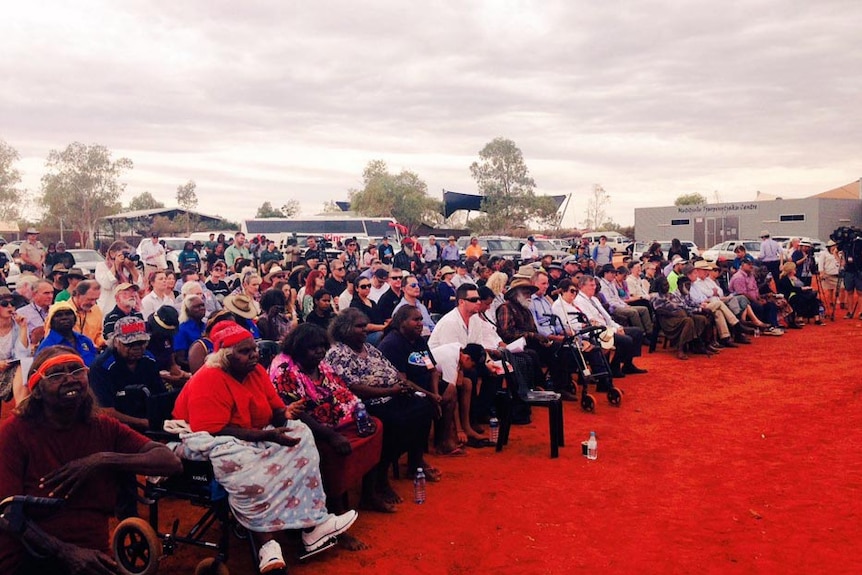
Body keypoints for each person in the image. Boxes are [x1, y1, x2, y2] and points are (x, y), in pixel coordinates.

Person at [172, 322, 358, 571]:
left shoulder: (256, 372)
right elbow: (214, 429)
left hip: (254, 432)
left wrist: (286, 413)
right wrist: (268, 438)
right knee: (240, 459)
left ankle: (312, 525)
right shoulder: (209, 378)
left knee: (300, 431)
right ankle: (267, 544)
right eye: (245, 352)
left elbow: (274, 410)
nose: (255, 355)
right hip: (213, 436)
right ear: (226, 357)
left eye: (254, 349)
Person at [0, 346, 182, 575]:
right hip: (30, 554)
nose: (70, 379)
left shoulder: (102, 426)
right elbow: (8, 514)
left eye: (77, 370)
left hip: (92, 554)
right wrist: (66, 553)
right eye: (56, 375)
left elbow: (170, 461)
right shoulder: (15, 433)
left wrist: (101, 460)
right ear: (37, 389)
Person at [269, 324, 389, 525]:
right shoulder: (284, 369)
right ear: (298, 348)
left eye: (322, 347)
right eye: (313, 348)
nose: (319, 352)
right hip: (307, 429)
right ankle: (336, 511)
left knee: (374, 427)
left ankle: (369, 494)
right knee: (333, 451)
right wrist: (331, 435)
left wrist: (361, 413)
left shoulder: (320, 363)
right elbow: (296, 413)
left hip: (335, 420)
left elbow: (341, 391)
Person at [325, 309, 438, 482]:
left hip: (394, 394)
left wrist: (424, 392)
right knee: (396, 420)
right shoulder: (338, 353)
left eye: (365, 326)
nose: (365, 329)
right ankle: (380, 477)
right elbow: (352, 387)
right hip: (365, 403)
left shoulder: (370, 349)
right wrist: (391, 391)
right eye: (359, 326)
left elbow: (396, 373)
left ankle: (415, 464)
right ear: (345, 329)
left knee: (423, 407)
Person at [379, 306, 461, 455]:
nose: (420, 323)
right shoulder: (393, 344)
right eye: (415, 320)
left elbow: (432, 370)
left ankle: (443, 441)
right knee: (422, 404)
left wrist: (435, 393)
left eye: (421, 319)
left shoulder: (419, 341)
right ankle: (416, 459)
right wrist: (431, 396)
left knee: (450, 390)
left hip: (426, 387)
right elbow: (403, 381)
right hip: (404, 391)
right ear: (402, 322)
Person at [575, 275, 646, 378]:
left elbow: (607, 317)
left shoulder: (594, 299)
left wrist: (617, 327)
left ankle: (628, 365)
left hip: (608, 327)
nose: (594, 287)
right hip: (599, 331)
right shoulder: (579, 301)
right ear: (581, 286)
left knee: (637, 332)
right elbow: (592, 322)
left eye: (594, 285)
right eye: (591, 285)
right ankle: (614, 367)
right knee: (626, 340)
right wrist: (613, 330)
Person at [651, 276, 713, 359]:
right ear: (659, 287)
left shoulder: (670, 295)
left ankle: (698, 345)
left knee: (701, 319)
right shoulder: (656, 296)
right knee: (688, 321)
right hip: (667, 320)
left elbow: (682, 306)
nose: (667, 286)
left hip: (680, 316)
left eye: (667, 284)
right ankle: (680, 349)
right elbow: (659, 311)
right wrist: (675, 313)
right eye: (664, 285)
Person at [36, 301, 99, 366]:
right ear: (51, 322)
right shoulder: (47, 347)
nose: (64, 317)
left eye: (68, 314)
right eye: (58, 315)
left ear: (75, 319)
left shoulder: (85, 340)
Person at [0, 287, 30, 403]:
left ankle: (20, 408)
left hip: (10, 369)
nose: (10, 306)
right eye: (4, 303)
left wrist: (23, 328)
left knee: (24, 366)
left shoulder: (17, 326)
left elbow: (22, 355)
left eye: (12, 303)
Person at [96, 240, 143, 313]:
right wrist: (116, 265)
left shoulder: (126, 268)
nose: (125, 256)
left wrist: (132, 268)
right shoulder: (102, 266)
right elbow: (107, 284)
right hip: (109, 308)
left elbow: (139, 286)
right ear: (112, 254)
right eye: (123, 253)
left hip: (127, 308)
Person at [349, 275, 389, 346]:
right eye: (363, 287)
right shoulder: (355, 304)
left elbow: (381, 319)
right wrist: (384, 327)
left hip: (379, 330)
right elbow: (365, 326)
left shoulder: (372, 302)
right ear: (356, 288)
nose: (367, 288)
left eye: (369, 286)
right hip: (364, 336)